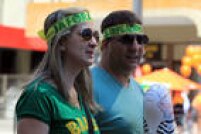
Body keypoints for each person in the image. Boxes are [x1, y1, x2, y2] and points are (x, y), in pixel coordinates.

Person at [15, 7, 100, 134]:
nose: (94, 42)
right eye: (86, 34)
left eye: (96, 36)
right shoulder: (38, 96)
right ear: (62, 43)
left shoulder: (80, 92)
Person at [91, 10, 149, 134]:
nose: (135, 47)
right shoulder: (86, 85)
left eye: (140, 40)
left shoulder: (138, 89)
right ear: (105, 45)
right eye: (126, 40)